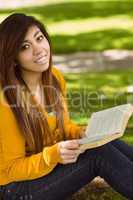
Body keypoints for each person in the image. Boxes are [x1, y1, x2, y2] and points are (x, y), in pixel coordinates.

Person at [0, 13, 133, 200]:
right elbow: (11, 169)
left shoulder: (54, 78)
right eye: (25, 47)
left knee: (104, 141)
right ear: (13, 58)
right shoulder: (6, 102)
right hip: (14, 188)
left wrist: (80, 134)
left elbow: (62, 127)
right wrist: (53, 155)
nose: (39, 50)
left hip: (42, 172)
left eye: (39, 38)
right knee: (98, 153)